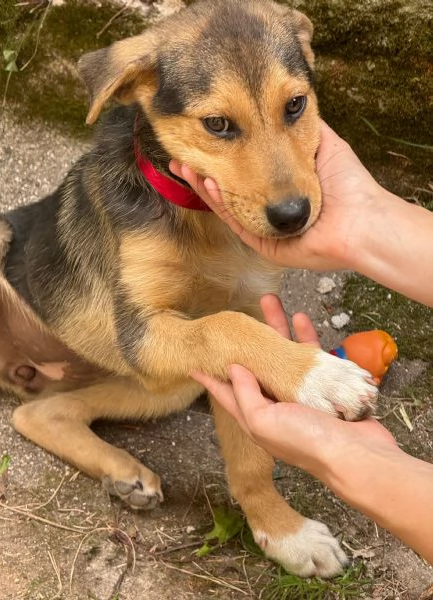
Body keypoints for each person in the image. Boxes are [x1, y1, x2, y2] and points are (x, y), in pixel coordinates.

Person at [169, 121, 433, 563]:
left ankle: (54, 417)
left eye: (294, 106)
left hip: (126, 377)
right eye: (219, 125)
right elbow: (143, 333)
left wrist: (350, 459)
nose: (289, 200)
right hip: (50, 334)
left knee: (186, 376)